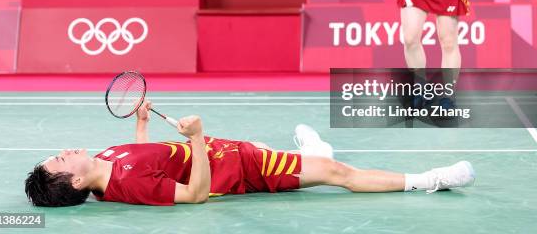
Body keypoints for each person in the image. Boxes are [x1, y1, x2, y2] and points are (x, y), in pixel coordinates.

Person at [25, 100, 475, 207]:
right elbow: (196, 194)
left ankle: (315, 153)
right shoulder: (126, 185)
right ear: (76, 182)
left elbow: (141, 154)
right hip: (237, 170)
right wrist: (198, 138)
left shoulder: (109, 159)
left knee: (272, 147)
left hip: (231, 151)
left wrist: (142, 123)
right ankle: (431, 179)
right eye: (60, 161)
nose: (63, 152)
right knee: (338, 173)